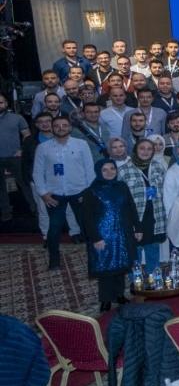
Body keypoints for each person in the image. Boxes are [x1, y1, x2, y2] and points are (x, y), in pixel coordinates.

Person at [32, 115, 95, 270]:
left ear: (70, 127)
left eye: (64, 125)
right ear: (52, 128)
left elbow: (90, 169)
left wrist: (88, 193)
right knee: (54, 229)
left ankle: (94, 261)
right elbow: (37, 173)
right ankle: (54, 261)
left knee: (88, 228)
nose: (61, 128)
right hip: (55, 195)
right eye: (57, 126)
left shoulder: (81, 144)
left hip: (79, 192)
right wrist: (43, 193)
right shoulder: (43, 148)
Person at [81, 159, 137, 313]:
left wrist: (137, 227)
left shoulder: (122, 186)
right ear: (99, 172)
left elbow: (131, 207)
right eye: (105, 169)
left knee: (120, 265)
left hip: (122, 233)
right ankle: (105, 299)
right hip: (103, 236)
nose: (109, 172)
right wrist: (95, 238)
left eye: (112, 168)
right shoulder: (91, 191)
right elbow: (87, 218)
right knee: (105, 267)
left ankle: (119, 295)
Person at [117, 138, 167, 269]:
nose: (146, 152)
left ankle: (153, 277)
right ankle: (136, 279)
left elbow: (165, 191)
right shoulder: (123, 170)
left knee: (153, 248)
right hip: (135, 217)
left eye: (149, 149)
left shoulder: (158, 167)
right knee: (135, 252)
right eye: (142, 148)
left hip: (155, 215)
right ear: (135, 150)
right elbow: (120, 198)